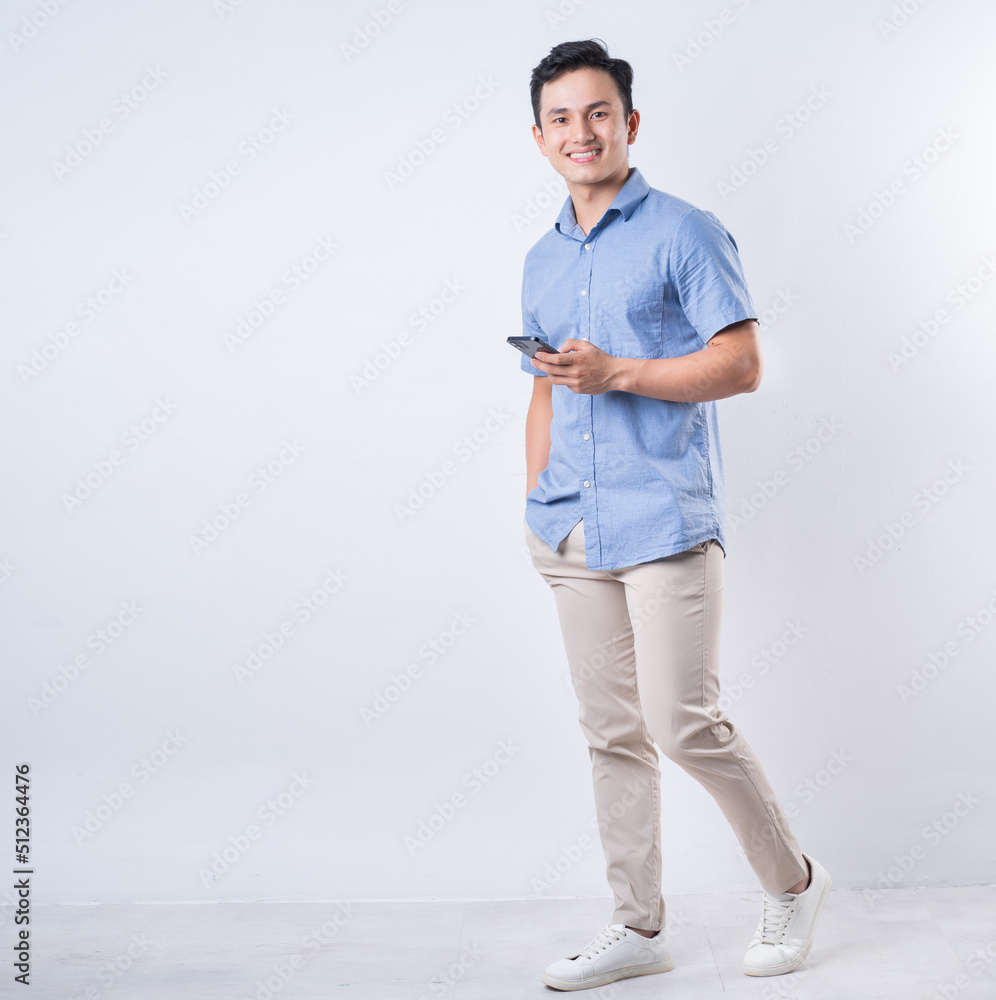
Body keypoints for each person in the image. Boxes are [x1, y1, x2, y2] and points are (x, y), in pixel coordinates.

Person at [518, 39, 831, 992]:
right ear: (540, 137)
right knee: (610, 733)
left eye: (598, 112)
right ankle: (637, 924)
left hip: (664, 524)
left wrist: (620, 374)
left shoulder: (686, 232)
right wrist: (535, 504)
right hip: (570, 530)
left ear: (630, 123)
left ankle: (794, 882)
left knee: (682, 722)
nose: (582, 131)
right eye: (562, 117)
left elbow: (740, 364)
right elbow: (540, 389)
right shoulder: (539, 258)